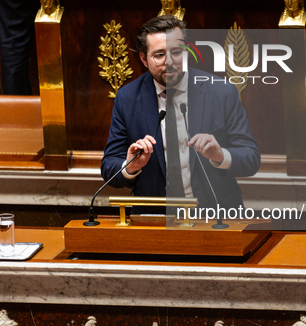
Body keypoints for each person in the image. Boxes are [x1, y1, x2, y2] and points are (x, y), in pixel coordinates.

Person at [101, 15, 260, 214]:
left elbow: (251, 158)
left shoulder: (221, 92)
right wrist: (131, 164)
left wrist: (220, 155)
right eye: (159, 55)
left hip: (215, 216)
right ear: (143, 58)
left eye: (176, 52)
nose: (169, 62)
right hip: (154, 218)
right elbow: (109, 166)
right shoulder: (127, 98)